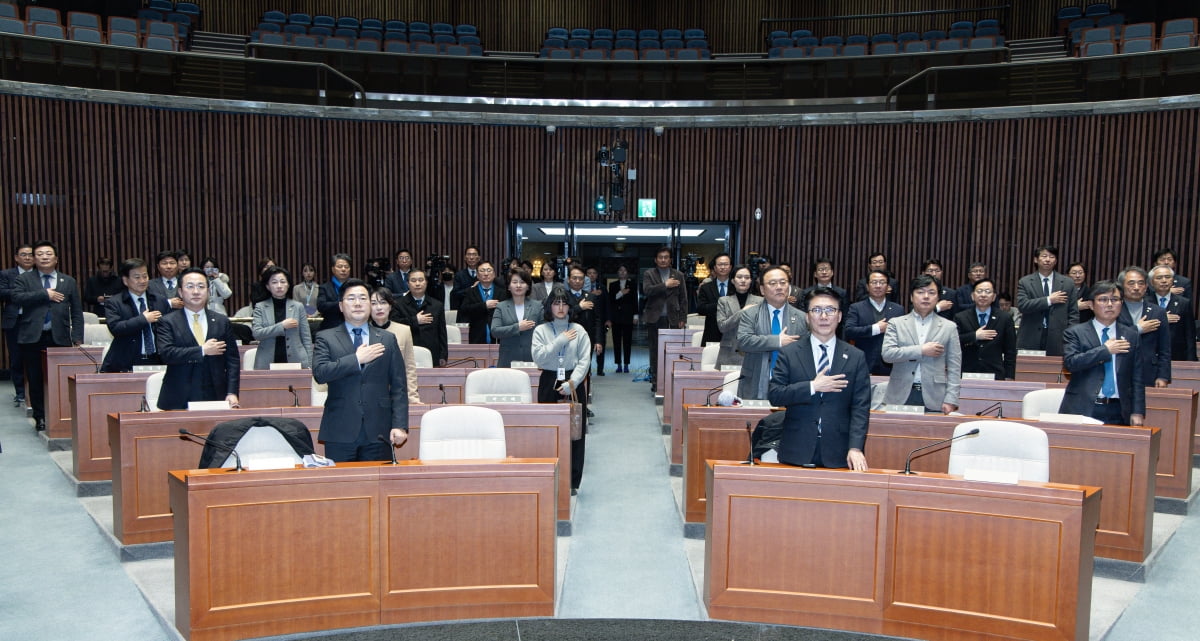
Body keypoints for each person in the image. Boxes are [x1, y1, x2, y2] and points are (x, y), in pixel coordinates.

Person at [767, 287, 870, 470]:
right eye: (816, 310)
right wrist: (813, 386)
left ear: (839, 316)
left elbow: (860, 408)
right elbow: (775, 395)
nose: (823, 316)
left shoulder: (856, 356)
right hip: (796, 448)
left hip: (840, 451)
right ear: (807, 317)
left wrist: (855, 447)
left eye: (830, 310)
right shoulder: (790, 353)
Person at [312, 279, 409, 462]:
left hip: (379, 431)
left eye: (363, 298)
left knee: (377, 487)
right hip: (340, 430)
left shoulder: (387, 339)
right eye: (351, 299)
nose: (357, 303)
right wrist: (356, 359)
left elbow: (399, 386)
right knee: (342, 488)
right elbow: (320, 373)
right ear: (341, 306)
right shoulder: (325, 337)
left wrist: (400, 425)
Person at [11, 241, 84, 430]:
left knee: (60, 380)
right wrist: (45, 294)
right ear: (35, 259)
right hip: (32, 337)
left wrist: (77, 337)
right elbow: (17, 298)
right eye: (40, 254)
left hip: (59, 337)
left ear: (56, 259)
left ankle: (62, 416)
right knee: (35, 379)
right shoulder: (25, 279)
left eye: (48, 253)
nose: (44, 257)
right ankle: (40, 416)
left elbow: (76, 311)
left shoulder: (67, 281)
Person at [1059, 281, 1145, 426]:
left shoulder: (1131, 335)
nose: (1110, 304)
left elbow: (1137, 376)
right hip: (1083, 406)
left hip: (1119, 408)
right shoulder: (1075, 333)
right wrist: (1105, 351)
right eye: (1103, 299)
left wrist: (1138, 411)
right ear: (1091, 305)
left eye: (1115, 300)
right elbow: (1071, 363)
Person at [155, 268, 241, 411]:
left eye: (201, 287)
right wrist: (202, 350)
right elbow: (166, 354)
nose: (196, 291)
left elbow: (232, 360)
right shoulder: (167, 321)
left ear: (208, 291)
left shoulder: (221, 321)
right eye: (190, 286)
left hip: (215, 393)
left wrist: (232, 392)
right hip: (179, 395)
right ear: (181, 292)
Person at [532, 291, 592, 492]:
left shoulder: (579, 330)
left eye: (564, 304)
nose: (560, 308)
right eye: (556, 303)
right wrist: (560, 340)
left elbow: (584, 361)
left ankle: (573, 481)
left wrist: (572, 382)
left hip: (573, 382)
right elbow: (539, 359)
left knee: (575, 434)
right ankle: (549, 478)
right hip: (548, 380)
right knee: (548, 431)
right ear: (549, 306)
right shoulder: (541, 330)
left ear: (570, 307)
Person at [881, 274, 962, 413]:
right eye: (920, 292)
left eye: (931, 293)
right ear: (912, 297)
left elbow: (955, 367)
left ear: (937, 298)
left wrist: (951, 399)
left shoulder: (949, 327)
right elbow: (887, 354)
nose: (926, 296)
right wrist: (921, 350)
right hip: (899, 394)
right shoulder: (896, 323)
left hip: (935, 396)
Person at [736, 266, 808, 400]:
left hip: (791, 385)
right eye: (773, 283)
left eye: (783, 282)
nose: (779, 287)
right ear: (762, 289)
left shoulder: (802, 317)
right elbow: (743, 341)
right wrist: (778, 341)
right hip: (756, 382)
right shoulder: (750, 314)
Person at [100, 258, 172, 372]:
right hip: (126, 361)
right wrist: (143, 319)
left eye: (145, 276)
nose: (142, 280)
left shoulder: (160, 301)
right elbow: (115, 328)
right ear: (125, 280)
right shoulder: (115, 302)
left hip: (157, 360)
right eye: (137, 277)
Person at [1016, 245, 1078, 356]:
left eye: (1052, 256)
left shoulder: (1068, 283)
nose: (1048, 259)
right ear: (1036, 259)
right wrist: (1049, 300)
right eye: (1044, 256)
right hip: (1030, 336)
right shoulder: (1025, 282)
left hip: (1058, 338)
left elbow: (1073, 314)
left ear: (1056, 261)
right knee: (1028, 370)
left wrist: (1070, 336)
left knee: (1053, 371)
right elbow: (1023, 305)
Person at [643, 247, 689, 392]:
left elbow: (683, 298)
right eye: (660, 257)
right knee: (655, 351)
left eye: (666, 257)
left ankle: (671, 381)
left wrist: (683, 317)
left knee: (672, 352)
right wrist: (665, 285)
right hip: (654, 318)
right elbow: (647, 291)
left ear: (670, 260)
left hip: (673, 319)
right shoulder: (649, 273)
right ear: (656, 260)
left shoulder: (678, 274)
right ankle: (656, 382)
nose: (663, 260)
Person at [1117, 266, 1171, 388]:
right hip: (1118, 368)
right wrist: (1138, 329)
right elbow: (1113, 336)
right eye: (1131, 283)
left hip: (1148, 371)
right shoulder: (1113, 309)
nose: (1136, 288)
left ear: (1146, 286)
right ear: (1121, 286)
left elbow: (1165, 349)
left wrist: (1163, 376)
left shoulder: (1158, 312)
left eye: (1141, 283)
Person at [843, 270, 904, 375]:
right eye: (874, 282)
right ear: (867, 286)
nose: (878, 286)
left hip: (891, 365)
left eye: (882, 282)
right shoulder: (856, 307)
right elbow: (849, 331)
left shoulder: (898, 309)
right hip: (864, 362)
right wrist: (875, 329)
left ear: (888, 287)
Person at [954, 278, 1017, 380]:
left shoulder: (1005, 318)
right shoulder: (960, 317)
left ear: (994, 297)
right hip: (967, 372)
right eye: (979, 291)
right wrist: (974, 336)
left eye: (987, 292)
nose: (983, 295)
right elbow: (953, 342)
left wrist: (1009, 376)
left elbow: (1010, 351)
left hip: (995, 373)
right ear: (973, 296)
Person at [251, 266, 313, 370]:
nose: (279, 286)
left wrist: (310, 364)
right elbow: (257, 334)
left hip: (296, 360)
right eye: (274, 282)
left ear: (288, 285)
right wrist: (282, 326)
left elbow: (306, 338)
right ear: (267, 286)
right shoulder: (260, 307)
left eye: (283, 282)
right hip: (267, 361)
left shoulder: (298, 307)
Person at [368, 287, 421, 405]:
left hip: (396, 392)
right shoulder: (362, 331)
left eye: (383, 302)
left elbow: (409, 367)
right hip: (369, 395)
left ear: (390, 306)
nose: (379, 307)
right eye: (373, 303)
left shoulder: (404, 330)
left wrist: (412, 396)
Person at [0, 243, 34, 407]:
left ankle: (34, 390)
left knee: (33, 356)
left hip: (35, 321)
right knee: (16, 357)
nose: (27, 257)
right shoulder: (6, 274)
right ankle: (20, 392)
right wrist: (21, 292)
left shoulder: (38, 275)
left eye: (30, 254)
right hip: (15, 320)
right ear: (16, 258)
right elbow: (2, 292)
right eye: (23, 254)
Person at [395, 269, 448, 366]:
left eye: (421, 280)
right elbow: (395, 326)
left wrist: (443, 355)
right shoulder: (398, 304)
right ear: (408, 284)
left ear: (426, 283)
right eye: (413, 281)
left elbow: (442, 332)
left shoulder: (437, 305)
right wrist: (415, 320)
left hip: (432, 352)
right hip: (406, 351)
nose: (417, 284)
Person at [491, 268, 542, 367]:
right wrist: (517, 327)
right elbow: (494, 331)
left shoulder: (538, 306)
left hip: (531, 357)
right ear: (509, 286)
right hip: (508, 358)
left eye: (522, 282)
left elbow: (543, 331)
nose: (518, 285)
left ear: (528, 286)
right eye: (514, 282)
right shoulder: (501, 306)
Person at [715, 265, 761, 369]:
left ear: (751, 281)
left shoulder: (760, 301)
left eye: (747, 277)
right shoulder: (724, 301)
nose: (743, 280)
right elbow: (722, 327)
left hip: (752, 352)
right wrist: (743, 312)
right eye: (739, 277)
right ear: (732, 280)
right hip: (729, 352)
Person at [1150, 265, 1196, 361]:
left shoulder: (1184, 303)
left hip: (1176, 355)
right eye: (1159, 278)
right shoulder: (1144, 302)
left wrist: (1191, 360)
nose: (1164, 280)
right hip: (1149, 356)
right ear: (1151, 282)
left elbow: (1190, 335)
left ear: (1173, 280)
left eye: (1167, 277)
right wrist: (1162, 319)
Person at [566, 266, 606, 378]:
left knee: (585, 368)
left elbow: (598, 320)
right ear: (568, 279)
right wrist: (579, 307)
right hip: (568, 338)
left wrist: (598, 341)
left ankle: (585, 392)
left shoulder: (591, 297)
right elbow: (562, 316)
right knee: (570, 369)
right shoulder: (563, 296)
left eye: (581, 278)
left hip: (587, 339)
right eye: (574, 278)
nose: (577, 281)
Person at [459, 261, 507, 344]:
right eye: (482, 271)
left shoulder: (502, 292)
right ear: (477, 275)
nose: (486, 273)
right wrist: (484, 305)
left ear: (494, 274)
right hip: (476, 334)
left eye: (489, 270)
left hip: (497, 336)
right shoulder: (471, 292)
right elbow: (464, 310)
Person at [696, 252, 733, 345]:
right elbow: (701, 309)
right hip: (712, 332)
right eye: (720, 264)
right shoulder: (706, 287)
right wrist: (722, 304)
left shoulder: (736, 287)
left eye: (726, 264)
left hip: (733, 333)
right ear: (715, 267)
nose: (723, 267)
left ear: (730, 267)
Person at [606, 264, 638, 373]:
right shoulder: (613, 285)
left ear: (627, 273)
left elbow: (635, 301)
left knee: (627, 342)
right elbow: (610, 300)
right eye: (620, 270)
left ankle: (626, 365)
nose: (623, 272)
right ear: (617, 273)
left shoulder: (632, 284)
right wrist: (620, 293)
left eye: (625, 270)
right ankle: (618, 364)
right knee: (617, 341)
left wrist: (636, 315)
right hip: (616, 317)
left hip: (628, 317)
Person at [317, 253, 352, 330]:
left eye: (346, 267)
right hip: (330, 327)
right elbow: (321, 306)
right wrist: (342, 304)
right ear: (333, 269)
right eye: (339, 267)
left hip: (352, 326)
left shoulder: (355, 287)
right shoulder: (325, 287)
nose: (343, 269)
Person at [585, 266, 607, 375]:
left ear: (597, 275)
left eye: (594, 273)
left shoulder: (602, 287)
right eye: (589, 273)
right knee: (586, 347)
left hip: (600, 320)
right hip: (587, 320)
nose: (592, 275)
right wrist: (592, 294)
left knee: (600, 344)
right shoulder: (583, 289)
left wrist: (608, 319)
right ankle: (587, 370)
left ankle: (600, 369)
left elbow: (607, 304)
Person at [451, 245, 482, 310]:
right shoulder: (459, 275)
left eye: (474, 254)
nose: (471, 257)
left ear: (479, 258)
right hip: (464, 310)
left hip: (481, 309)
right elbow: (455, 294)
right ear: (465, 258)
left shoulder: (484, 274)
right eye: (469, 254)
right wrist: (472, 288)